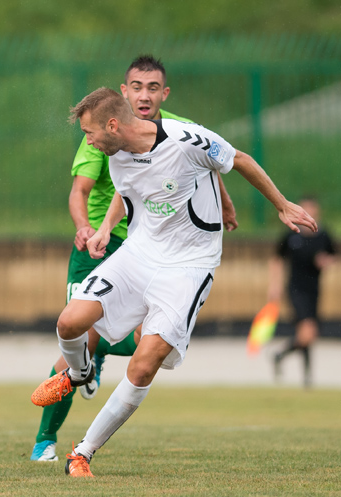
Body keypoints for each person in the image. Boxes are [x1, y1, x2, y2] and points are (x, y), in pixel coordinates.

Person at [30, 87, 316, 477]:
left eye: (89, 132)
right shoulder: (115, 155)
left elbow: (239, 159)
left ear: (112, 125)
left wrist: (281, 205)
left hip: (188, 266)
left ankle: (82, 453)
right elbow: (126, 194)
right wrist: (105, 229)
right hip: (139, 253)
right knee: (69, 322)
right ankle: (80, 373)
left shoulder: (186, 139)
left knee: (144, 365)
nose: (88, 141)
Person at [30, 55, 238, 462]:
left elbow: (210, 165)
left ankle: (86, 415)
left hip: (159, 249)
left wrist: (225, 204)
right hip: (104, 246)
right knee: (77, 329)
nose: (145, 95)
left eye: (152, 88)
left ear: (164, 93)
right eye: (137, 87)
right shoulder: (101, 133)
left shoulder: (178, 130)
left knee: (146, 344)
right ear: (123, 93)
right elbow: (82, 189)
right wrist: (89, 228)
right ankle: (46, 439)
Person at [270, 197, 336, 387]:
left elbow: (333, 255)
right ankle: (302, 372)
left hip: (314, 290)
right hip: (295, 289)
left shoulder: (323, 235)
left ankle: (289, 363)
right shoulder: (291, 234)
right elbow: (277, 259)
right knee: (308, 331)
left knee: (306, 334)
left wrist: (326, 261)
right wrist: (274, 286)